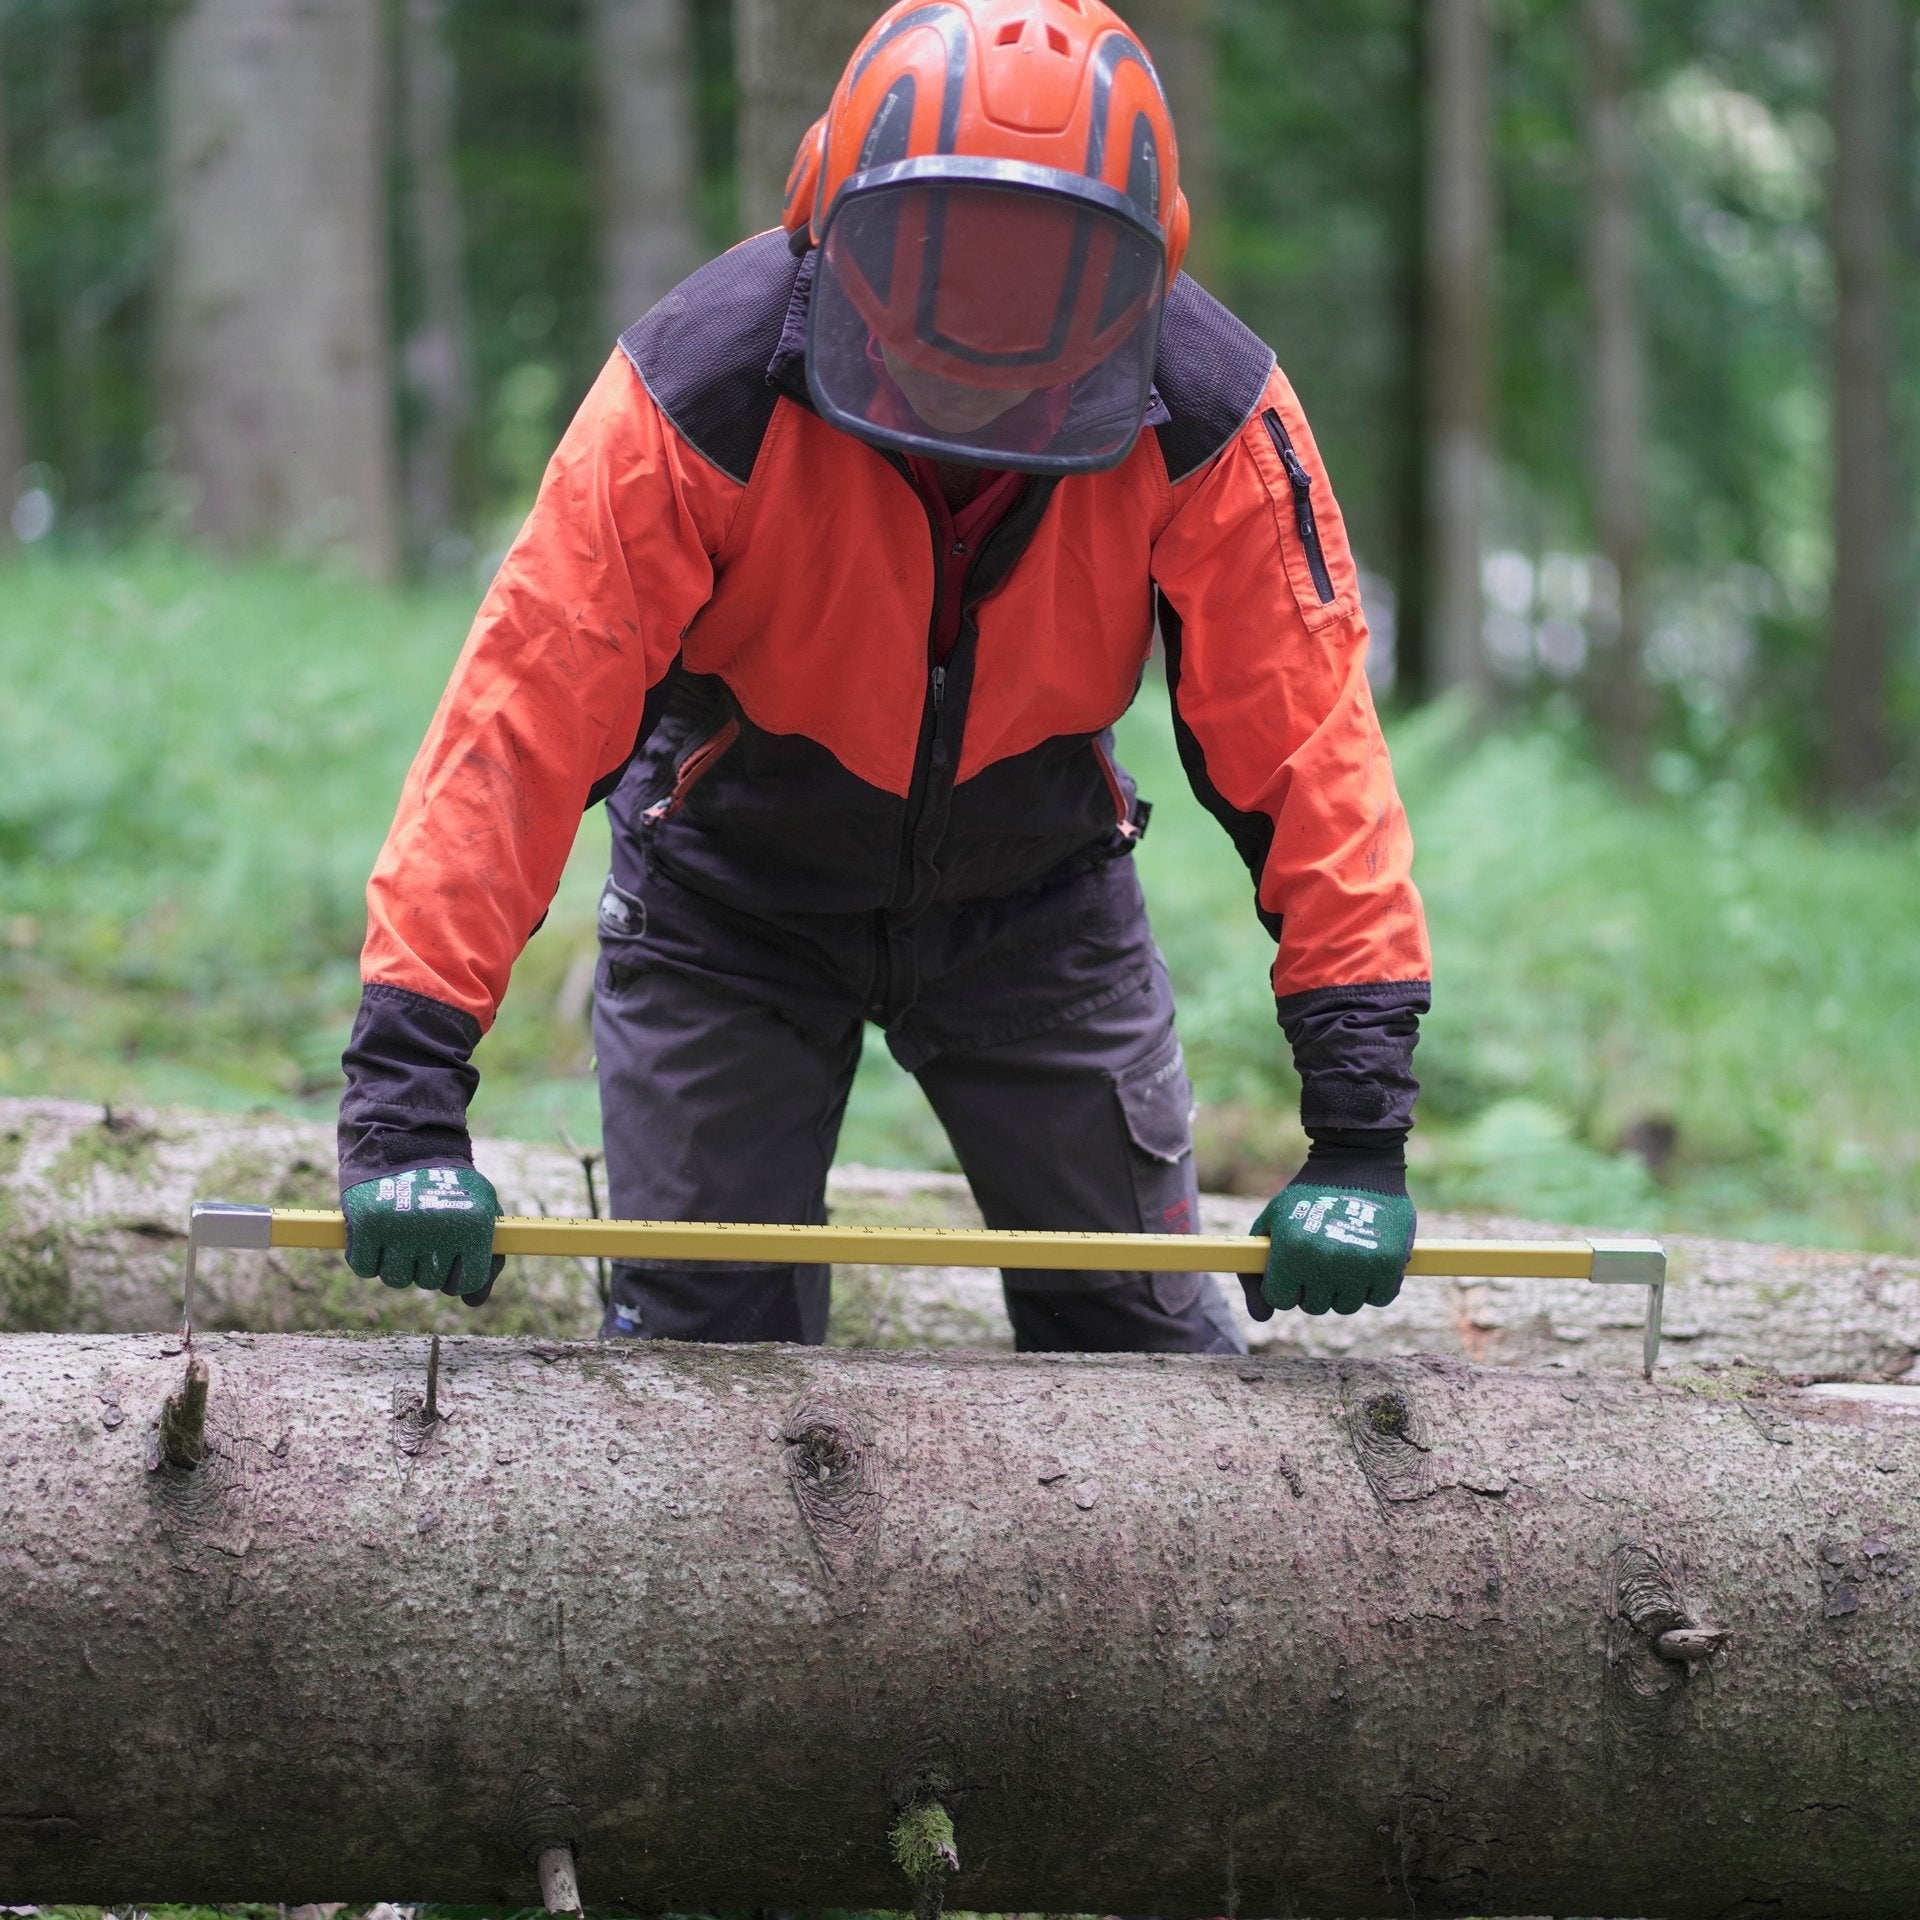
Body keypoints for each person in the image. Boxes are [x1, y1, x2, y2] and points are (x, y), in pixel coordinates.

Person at [335, 0, 1431, 1353]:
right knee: (702, 1360)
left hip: (1036, 892)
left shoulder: (1210, 417)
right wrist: (406, 1104)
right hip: (727, 893)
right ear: (827, 212)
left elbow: (1310, 751)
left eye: (1044, 271)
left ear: (1143, 269)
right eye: (945, 257)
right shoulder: (702, 386)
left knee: (1146, 1354)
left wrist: (1360, 1136)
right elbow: (517, 726)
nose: (986, 316)